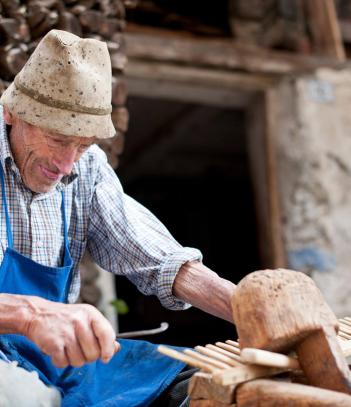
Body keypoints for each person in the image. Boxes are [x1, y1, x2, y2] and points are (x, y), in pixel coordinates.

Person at [0, 29, 235, 406]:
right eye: (59, 139)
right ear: (11, 112)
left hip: (58, 363)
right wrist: (29, 315)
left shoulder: (86, 167)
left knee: (197, 383)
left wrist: (245, 305)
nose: (66, 165)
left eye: (83, 145)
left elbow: (157, 258)